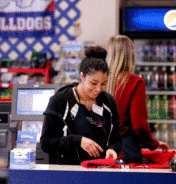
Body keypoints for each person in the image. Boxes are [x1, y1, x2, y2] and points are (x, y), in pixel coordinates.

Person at [40, 46, 122, 165]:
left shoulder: (108, 102)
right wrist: (77, 140)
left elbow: (116, 138)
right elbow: (46, 143)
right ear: (82, 76)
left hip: (101, 170)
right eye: (93, 83)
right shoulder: (61, 100)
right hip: (68, 172)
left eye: (104, 84)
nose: (98, 89)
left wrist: (113, 149)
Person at [106, 35, 169, 164]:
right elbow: (139, 125)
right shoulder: (135, 82)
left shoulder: (99, 81)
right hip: (126, 151)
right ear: (131, 54)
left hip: (102, 149)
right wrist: (153, 143)